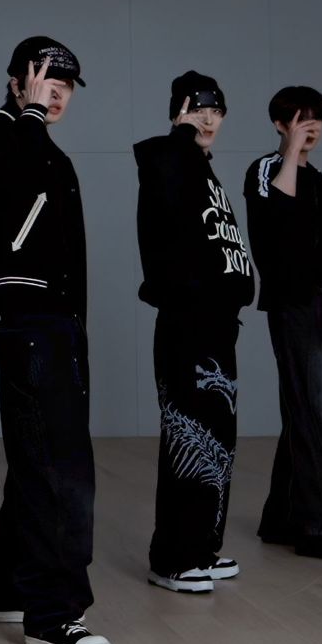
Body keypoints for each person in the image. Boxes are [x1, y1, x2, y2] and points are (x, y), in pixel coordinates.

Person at [0, 37, 111, 644]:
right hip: (29, 321)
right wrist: (27, 111)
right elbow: (14, 177)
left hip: (58, 324)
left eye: (66, 84)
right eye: (47, 79)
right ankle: (53, 615)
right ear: (17, 80)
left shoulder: (48, 149)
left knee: (37, 459)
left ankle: (8, 589)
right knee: (62, 468)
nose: (57, 93)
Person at [134, 71, 256, 594]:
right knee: (190, 436)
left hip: (218, 324)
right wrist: (182, 133)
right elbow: (161, 162)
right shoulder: (167, 157)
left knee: (220, 439)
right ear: (178, 112)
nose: (208, 118)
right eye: (198, 108)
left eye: (216, 110)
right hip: (186, 323)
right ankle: (173, 558)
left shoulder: (203, 173)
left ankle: (202, 548)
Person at [243, 86, 322, 563]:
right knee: (312, 414)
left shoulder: (319, 180)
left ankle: (282, 517)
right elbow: (278, 219)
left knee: (312, 415)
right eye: (300, 119)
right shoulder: (265, 170)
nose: (310, 127)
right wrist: (291, 152)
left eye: (317, 120)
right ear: (280, 124)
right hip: (293, 305)